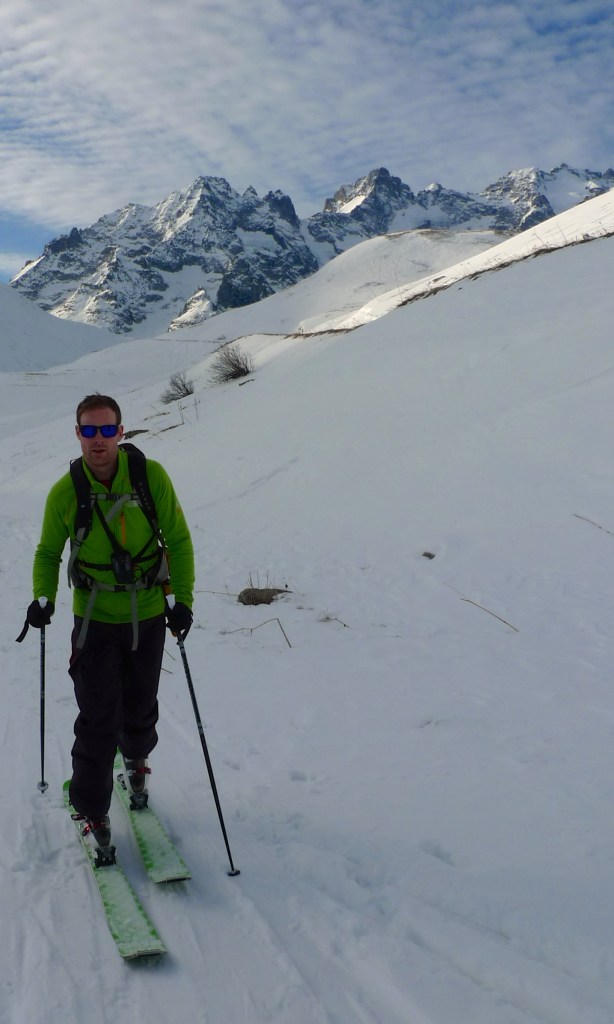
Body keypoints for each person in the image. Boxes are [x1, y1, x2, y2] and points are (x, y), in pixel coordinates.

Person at [25, 394, 195, 856]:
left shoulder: (149, 478)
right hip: (94, 619)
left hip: (147, 614)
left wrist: (183, 599)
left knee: (140, 704)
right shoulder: (67, 492)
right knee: (99, 718)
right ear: (77, 434)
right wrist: (45, 597)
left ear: (121, 432)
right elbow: (47, 552)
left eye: (106, 430)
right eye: (89, 430)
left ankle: (136, 761)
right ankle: (91, 809)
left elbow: (177, 541)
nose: (98, 440)